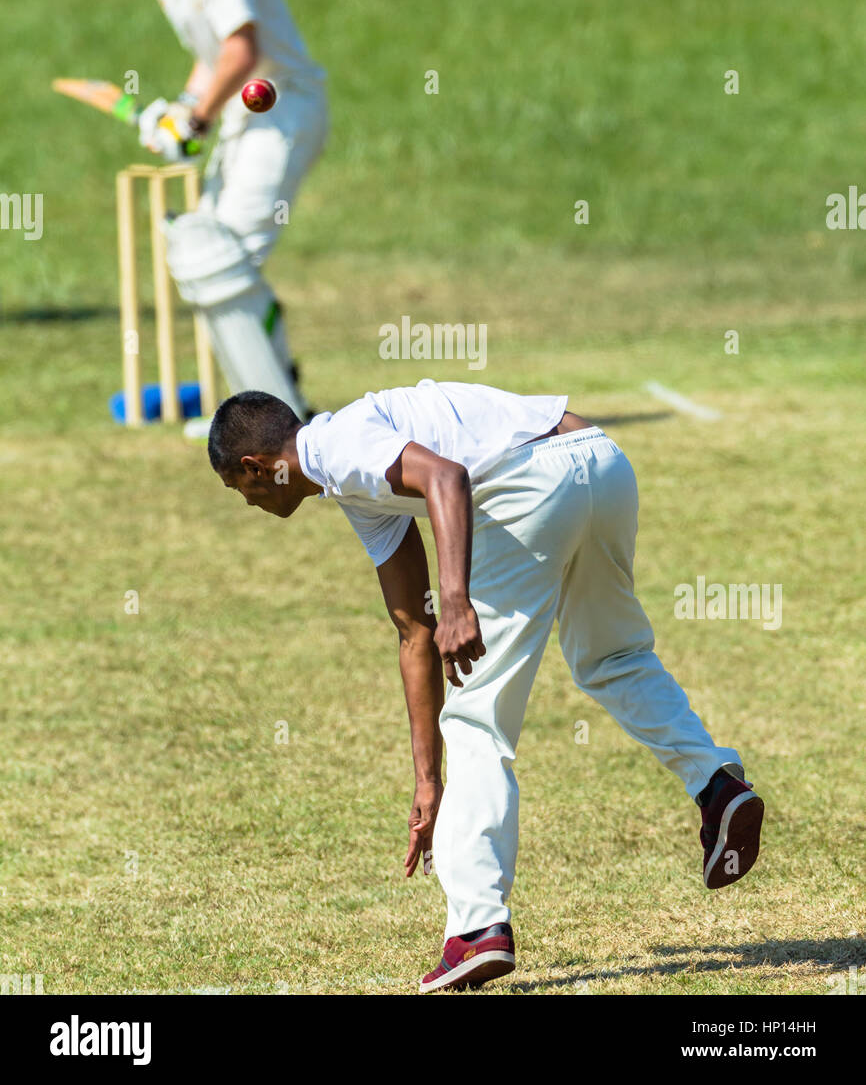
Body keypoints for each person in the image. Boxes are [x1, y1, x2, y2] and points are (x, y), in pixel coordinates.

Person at [207, 380, 764, 993]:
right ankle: (716, 784)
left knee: (477, 719)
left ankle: (478, 930)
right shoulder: (357, 488)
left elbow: (446, 478)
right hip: (600, 461)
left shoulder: (335, 447)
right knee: (613, 655)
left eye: (240, 490)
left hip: (529, 482)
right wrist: (427, 779)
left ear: (256, 467)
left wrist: (457, 600)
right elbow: (414, 633)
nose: (250, 504)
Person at [122, 0, 329, 427]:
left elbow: (244, 50)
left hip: (282, 105)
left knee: (226, 254)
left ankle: (276, 422)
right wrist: (183, 111)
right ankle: (266, 414)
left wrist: (195, 120)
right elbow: (211, 54)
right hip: (243, 110)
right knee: (203, 249)